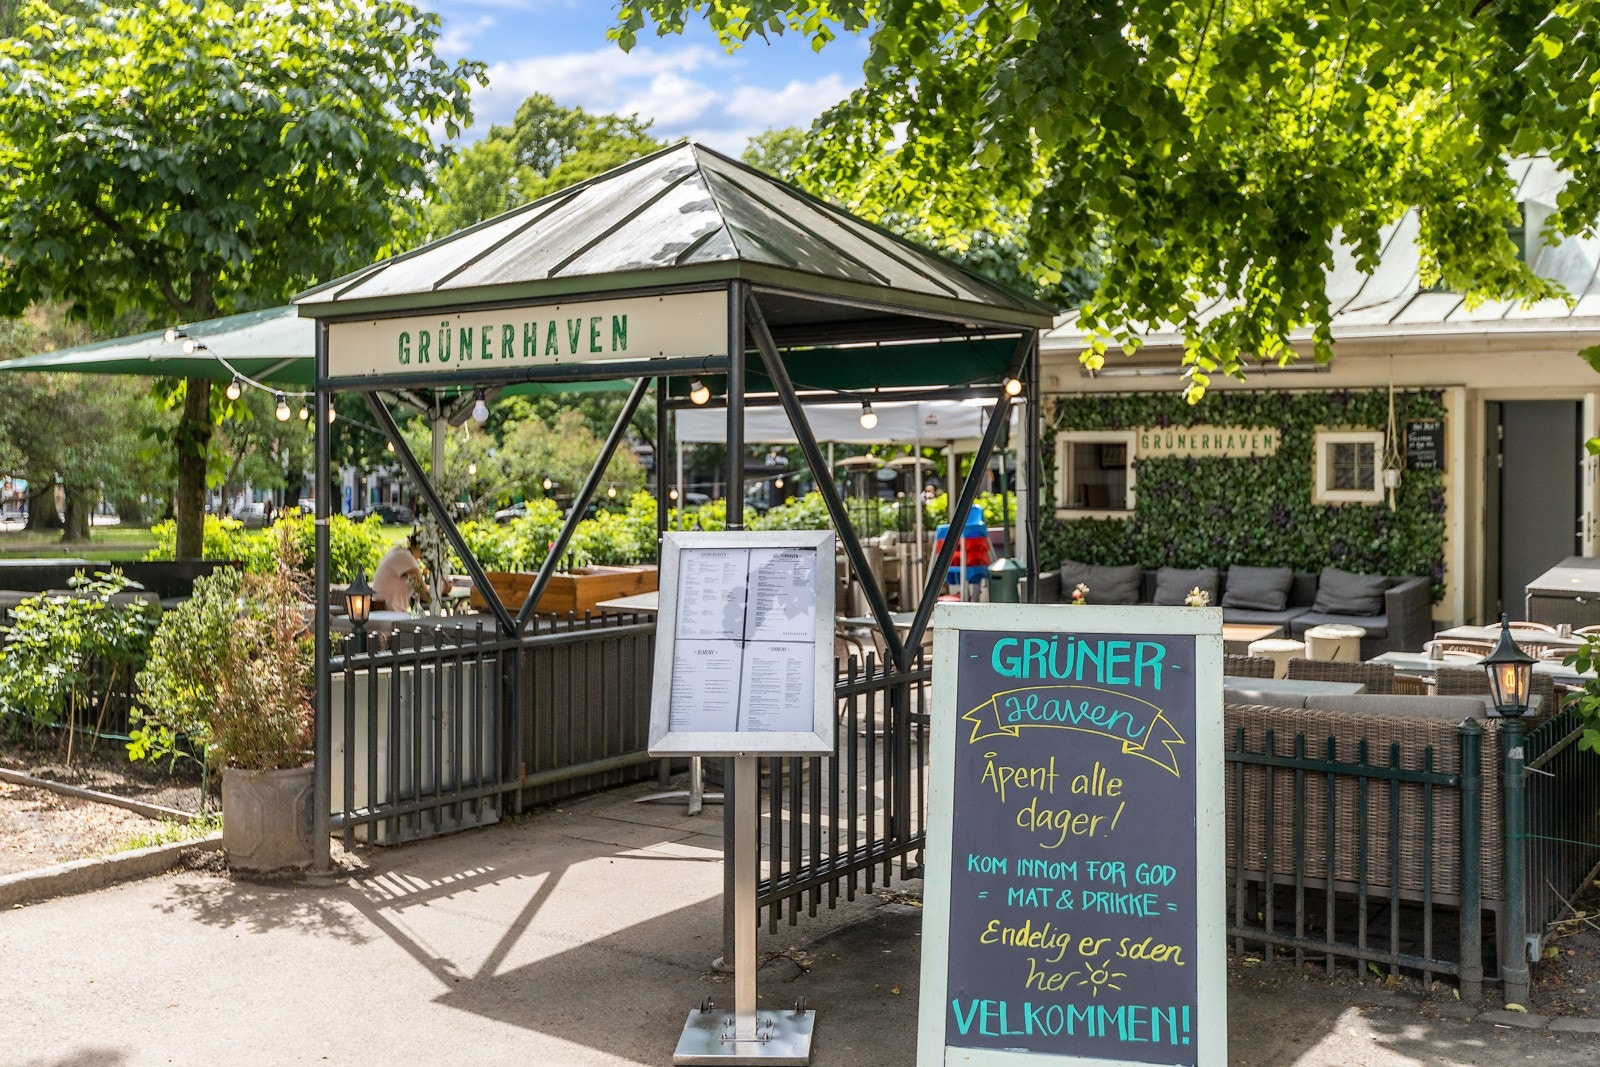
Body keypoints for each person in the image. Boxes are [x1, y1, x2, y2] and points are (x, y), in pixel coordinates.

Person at [372, 532, 428, 612]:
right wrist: (441, 590)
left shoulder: (399, 553)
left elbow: (418, 587)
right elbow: (424, 595)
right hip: (390, 613)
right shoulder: (406, 559)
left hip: (383, 610)